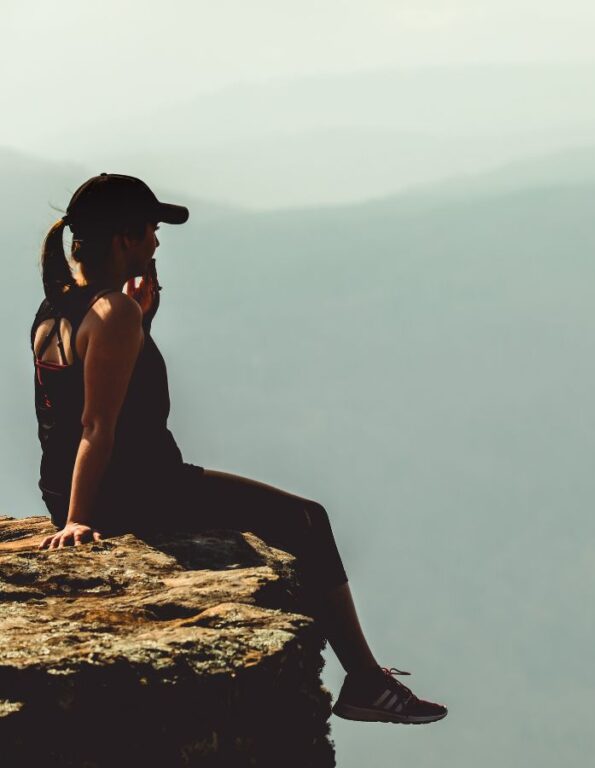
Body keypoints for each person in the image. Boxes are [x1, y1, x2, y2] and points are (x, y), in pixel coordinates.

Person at [30, 173, 446, 725]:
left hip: (76, 488)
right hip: (139, 492)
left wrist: (143, 325)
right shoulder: (113, 314)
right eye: (151, 231)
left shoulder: (58, 308)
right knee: (306, 520)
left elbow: (74, 410)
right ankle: (366, 682)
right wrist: (81, 520)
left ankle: (366, 680)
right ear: (123, 241)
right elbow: (95, 426)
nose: (157, 243)